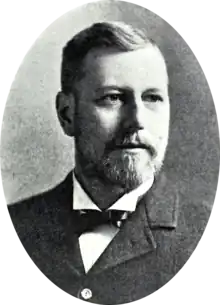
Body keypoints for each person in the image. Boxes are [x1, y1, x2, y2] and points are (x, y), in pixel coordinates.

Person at [7, 21, 214, 304]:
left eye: (152, 98)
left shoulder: (204, 232)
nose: (138, 120)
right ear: (67, 114)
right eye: (113, 98)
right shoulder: (17, 226)